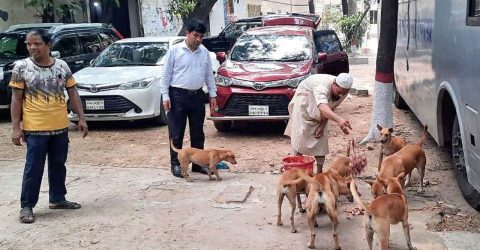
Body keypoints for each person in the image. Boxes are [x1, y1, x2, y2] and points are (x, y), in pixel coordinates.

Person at [9, 29, 88, 223]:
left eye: (36, 43)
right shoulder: (21, 67)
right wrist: (15, 127)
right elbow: (16, 99)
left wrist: (81, 118)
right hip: (35, 129)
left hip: (60, 127)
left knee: (58, 165)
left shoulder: (61, 66)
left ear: (48, 45)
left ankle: (57, 198)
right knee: (33, 168)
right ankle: (27, 206)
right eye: (29, 44)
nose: (32, 47)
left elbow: (73, 92)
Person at [160, 19, 217, 178]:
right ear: (187, 33)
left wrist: (213, 94)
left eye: (201, 37)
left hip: (197, 95)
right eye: (195, 35)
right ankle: (176, 165)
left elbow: (208, 75)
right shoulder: (175, 51)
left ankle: (199, 165)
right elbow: (165, 75)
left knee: (198, 133)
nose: (198, 40)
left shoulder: (204, 52)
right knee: (176, 132)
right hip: (177, 96)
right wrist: (165, 95)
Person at [284, 73, 353, 173]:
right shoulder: (321, 86)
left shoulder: (342, 92)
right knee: (300, 139)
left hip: (322, 111)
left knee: (321, 141)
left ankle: (319, 172)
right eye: (339, 92)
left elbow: (331, 107)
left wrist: (321, 126)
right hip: (304, 103)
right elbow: (322, 107)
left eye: (344, 93)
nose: (341, 95)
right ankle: (293, 172)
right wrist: (339, 120)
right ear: (334, 84)